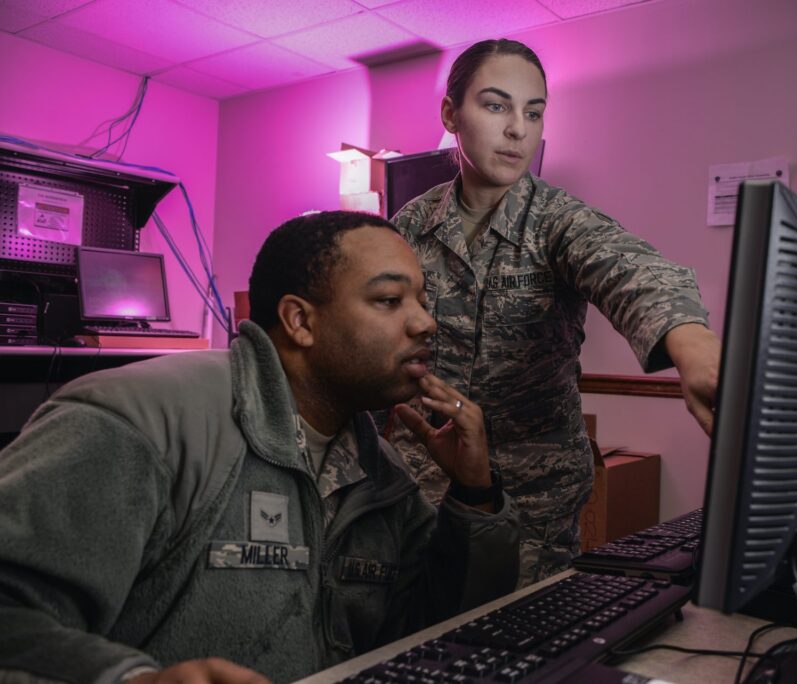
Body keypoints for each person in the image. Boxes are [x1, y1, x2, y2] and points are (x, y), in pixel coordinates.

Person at [0, 211, 519, 683]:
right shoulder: (141, 422)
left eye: (422, 301)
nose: (426, 322)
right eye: (389, 300)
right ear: (300, 321)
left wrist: (474, 493)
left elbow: (437, 639)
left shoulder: (379, 473)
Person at [386, 38, 721, 587]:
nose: (518, 129)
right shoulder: (409, 226)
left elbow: (628, 268)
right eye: (497, 105)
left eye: (534, 112)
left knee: (524, 632)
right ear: (451, 114)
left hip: (532, 504)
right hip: (422, 487)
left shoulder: (557, 220)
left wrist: (693, 342)